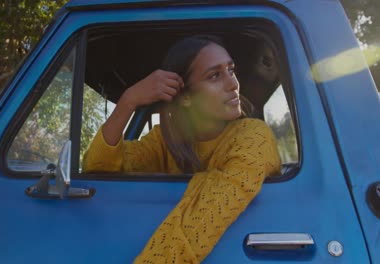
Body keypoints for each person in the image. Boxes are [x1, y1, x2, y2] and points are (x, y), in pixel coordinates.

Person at [83, 35, 281, 263]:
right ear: (185, 97)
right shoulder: (165, 142)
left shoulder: (255, 137)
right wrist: (128, 101)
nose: (233, 83)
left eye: (231, 70)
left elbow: (207, 212)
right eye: (215, 75)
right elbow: (97, 168)